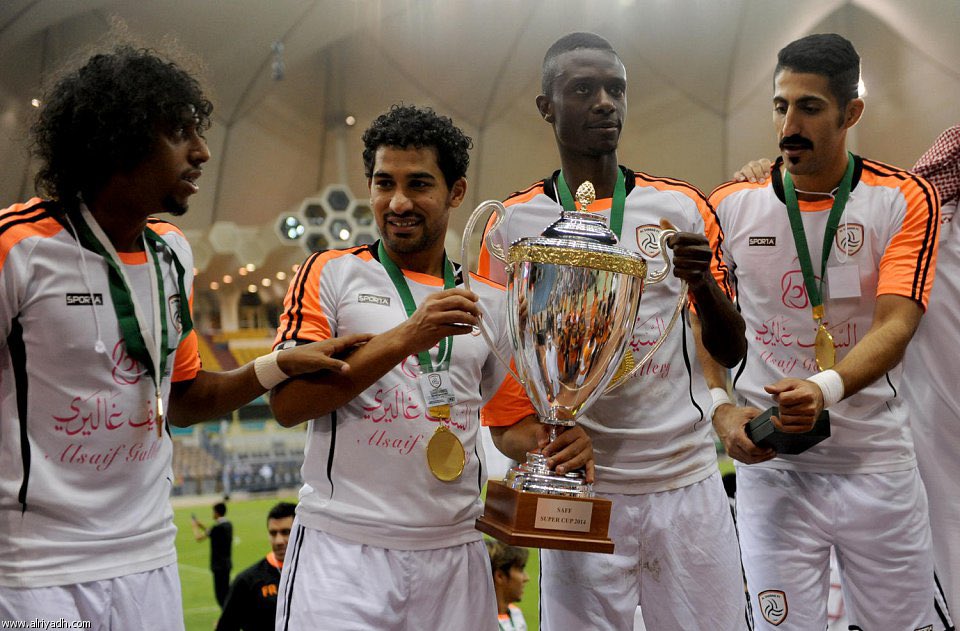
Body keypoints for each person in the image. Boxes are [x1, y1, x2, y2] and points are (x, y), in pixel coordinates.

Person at [0, 45, 370, 629]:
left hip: (148, 555)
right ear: (116, 138)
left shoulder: (172, 252)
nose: (202, 152)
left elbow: (185, 399)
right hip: (36, 569)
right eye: (179, 133)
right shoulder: (17, 248)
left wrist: (279, 365)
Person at [268, 104, 594, 630]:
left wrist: (553, 444)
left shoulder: (492, 301)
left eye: (418, 184)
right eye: (384, 183)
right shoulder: (331, 273)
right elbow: (288, 405)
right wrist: (408, 336)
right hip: (345, 550)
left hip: (455, 552)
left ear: (456, 192)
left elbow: (509, 426)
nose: (398, 202)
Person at [479, 32, 749, 631]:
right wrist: (546, 445)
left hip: (685, 482)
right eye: (583, 89)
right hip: (584, 493)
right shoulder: (513, 225)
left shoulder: (680, 207)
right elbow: (503, 394)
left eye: (615, 89)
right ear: (546, 106)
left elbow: (732, 349)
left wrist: (702, 283)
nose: (605, 102)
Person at [709, 33, 949, 630]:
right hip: (773, 473)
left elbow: (897, 323)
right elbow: (704, 319)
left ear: (851, 113)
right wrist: (720, 408)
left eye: (810, 108)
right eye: (780, 105)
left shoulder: (903, 198)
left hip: (878, 468)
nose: (789, 125)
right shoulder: (730, 204)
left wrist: (825, 388)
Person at [215, 502, 296, 631]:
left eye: (286, 532)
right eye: (273, 533)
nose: (278, 541)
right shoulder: (247, 581)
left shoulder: (318, 575)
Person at [192, 501, 234, 608]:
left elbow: (198, 538)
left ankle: (227, 615)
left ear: (216, 512)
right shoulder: (228, 525)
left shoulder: (217, 528)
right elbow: (210, 531)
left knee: (220, 595)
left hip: (218, 566)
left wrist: (194, 527)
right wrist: (200, 524)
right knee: (226, 592)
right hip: (227, 564)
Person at [485, 539, 529, 631]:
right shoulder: (478, 623)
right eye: (520, 570)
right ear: (500, 576)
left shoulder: (516, 614)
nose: (526, 578)